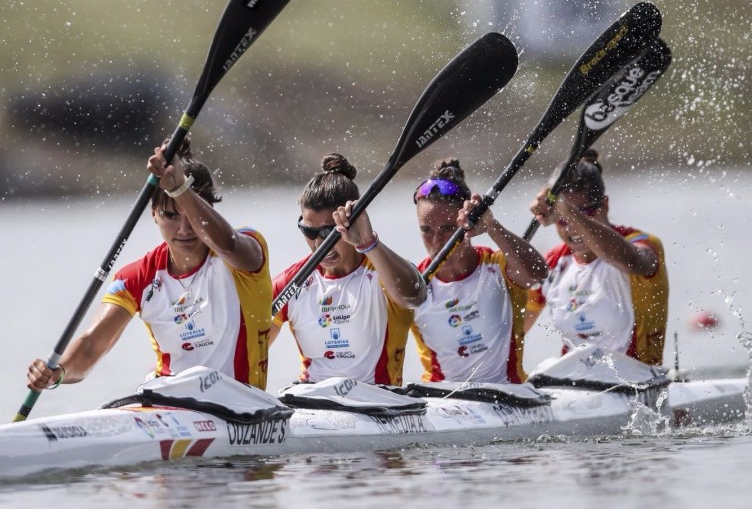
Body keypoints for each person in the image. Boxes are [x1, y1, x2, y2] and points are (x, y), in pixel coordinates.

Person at [27, 137, 272, 392]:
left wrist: (180, 189)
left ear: (208, 209)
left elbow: (228, 245)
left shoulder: (246, 250)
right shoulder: (137, 277)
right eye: (170, 215)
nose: (185, 229)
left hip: (242, 405)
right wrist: (57, 372)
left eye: (191, 215)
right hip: (168, 401)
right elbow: (92, 345)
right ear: (153, 213)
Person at [270, 153, 426, 386]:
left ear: (351, 223)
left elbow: (415, 296)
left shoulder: (383, 272)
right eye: (309, 232)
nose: (319, 244)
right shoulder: (292, 282)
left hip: (376, 402)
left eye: (327, 232)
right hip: (311, 401)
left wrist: (368, 244)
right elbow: (252, 344)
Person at [525, 149, 669, 366]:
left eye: (582, 214)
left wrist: (565, 208)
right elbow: (509, 332)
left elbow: (634, 263)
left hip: (636, 384)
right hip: (572, 387)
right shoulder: (554, 262)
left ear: (604, 206)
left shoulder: (642, 244)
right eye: (563, 219)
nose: (573, 227)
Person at [412, 159, 548, 384]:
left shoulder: (498, 266)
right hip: (440, 401)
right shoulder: (413, 283)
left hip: (506, 394)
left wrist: (491, 226)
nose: (436, 241)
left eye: (447, 229)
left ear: (466, 223)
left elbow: (537, 275)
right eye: (426, 230)